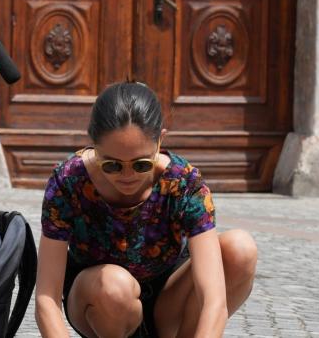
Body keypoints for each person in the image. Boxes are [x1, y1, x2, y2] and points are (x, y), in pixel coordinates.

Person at [35, 82, 259, 338]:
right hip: (100, 300)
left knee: (240, 248)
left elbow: (213, 301)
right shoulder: (69, 181)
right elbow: (46, 298)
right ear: (93, 145)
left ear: (160, 140)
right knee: (114, 285)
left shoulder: (184, 182)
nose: (127, 176)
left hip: (169, 303)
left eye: (141, 164)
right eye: (112, 165)